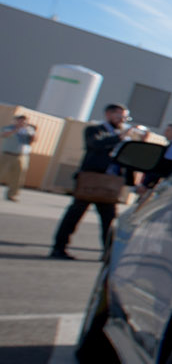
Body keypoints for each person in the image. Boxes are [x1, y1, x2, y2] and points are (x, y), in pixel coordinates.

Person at [50, 104, 144, 260]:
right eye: (119, 116)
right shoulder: (95, 130)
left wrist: (132, 183)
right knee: (74, 215)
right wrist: (120, 137)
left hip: (110, 183)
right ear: (108, 114)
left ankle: (108, 254)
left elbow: (127, 161)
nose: (122, 120)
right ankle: (59, 248)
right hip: (91, 179)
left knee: (109, 220)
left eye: (125, 117)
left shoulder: (124, 137)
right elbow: (95, 144)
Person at [1, 112, 36, 201]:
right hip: (7, 154)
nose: (22, 123)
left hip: (21, 155)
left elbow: (34, 140)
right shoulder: (8, 128)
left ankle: (12, 194)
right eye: (20, 121)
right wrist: (16, 130)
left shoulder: (28, 130)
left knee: (18, 177)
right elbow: (4, 135)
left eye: (24, 121)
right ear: (16, 121)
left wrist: (32, 133)